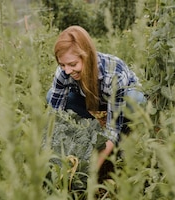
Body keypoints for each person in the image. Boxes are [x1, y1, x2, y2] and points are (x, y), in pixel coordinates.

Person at [46, 25, 145, 172]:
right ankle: (92, 130)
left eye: (73, 64)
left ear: (87, 55)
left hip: (123, 100)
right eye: (62, 64)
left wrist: (91, 170)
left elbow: (112, 130)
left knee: (133, 100)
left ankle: (126, 133)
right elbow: (55, 115)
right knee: (50, 97)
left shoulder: (113, 72)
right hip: (91, 99)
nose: (67, 70)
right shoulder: (64, 72)